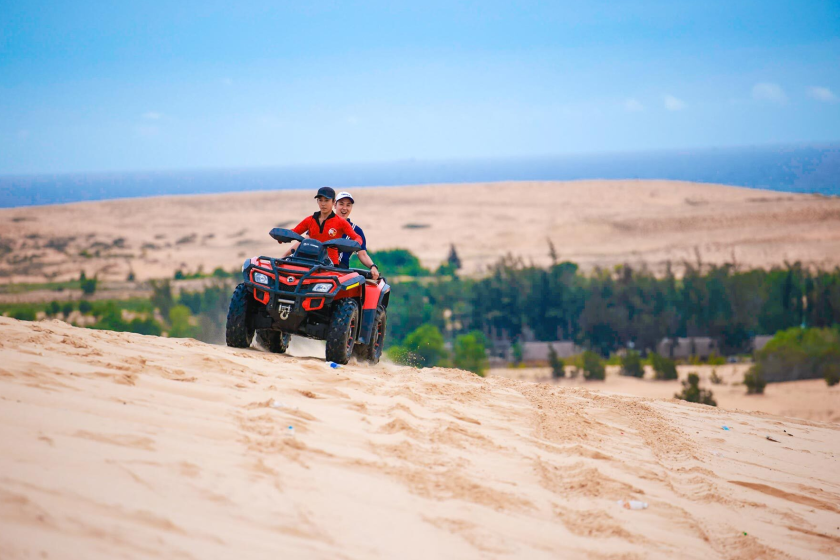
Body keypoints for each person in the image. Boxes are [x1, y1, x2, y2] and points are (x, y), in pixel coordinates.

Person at [278, 187, 367, 269]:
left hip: (329, 265)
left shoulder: (341, 222)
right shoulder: (310, 220)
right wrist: (282, 237)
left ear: (333, 202)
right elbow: (294, 232)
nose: (323, 204)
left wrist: (355, 243)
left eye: (326, 200)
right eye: (320, 200)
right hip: (309, 261)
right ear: (317, 202)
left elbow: (357, 237)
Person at [334, 191, 380, 280]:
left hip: (341, 273)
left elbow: (362, 254)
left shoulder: (356, 230)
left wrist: (373, 267)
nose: (344, 208)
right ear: (335, 205)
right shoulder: (323, 223)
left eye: (348, 205)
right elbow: (307, 240)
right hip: (320, 268)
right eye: (341, 204)